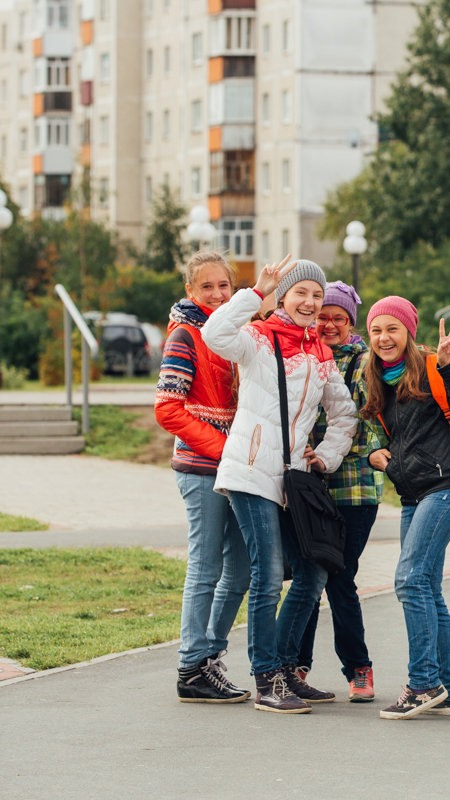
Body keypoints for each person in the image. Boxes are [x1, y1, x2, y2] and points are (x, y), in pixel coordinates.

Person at [202, 256, 358, 714]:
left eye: (316, 294)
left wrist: (325, 456)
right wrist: (255, 292)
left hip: (294, 478)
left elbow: (345, 414)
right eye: (301, 293)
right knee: (268, 575)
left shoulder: (320, 354)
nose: (310, 302)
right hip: (250, 471)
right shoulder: (257, 337)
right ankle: (266, 678)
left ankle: (287, 669)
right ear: (284, 298)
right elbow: (214, 334)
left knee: (312, 572)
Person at [363, 297, 450, 719]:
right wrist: (380, 455)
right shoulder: (378, 379)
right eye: (377, 330)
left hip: (448, 486)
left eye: (393, 329)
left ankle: (423, 684)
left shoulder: (431, 367)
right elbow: (387, 435)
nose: (384, 338)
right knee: (427, 587)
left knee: (409, 581)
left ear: (409, 332)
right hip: (413, 495)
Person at [154, 251, 251, 704]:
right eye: (206, 287)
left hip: (236, 468)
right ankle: (191, 666)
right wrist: (222, 448)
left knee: (243, 567)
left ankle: (207, 655)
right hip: (200, 467)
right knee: (207, 564)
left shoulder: (237, 332)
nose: (216, 294)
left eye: (223, 286)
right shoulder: (184, 335)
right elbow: (168, 408)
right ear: (190, 291)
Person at [294, 281, 384, 702]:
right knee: (307, 575)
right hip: (309, 486)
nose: (328, 324)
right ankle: (296, 665)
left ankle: (358, 668)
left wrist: (328, 450)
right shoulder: (303, 354)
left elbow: (368, 420)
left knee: (338, 575)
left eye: (338, 318)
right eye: (322, 315)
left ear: (350, 322)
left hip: (354, 488)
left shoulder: (365, 362)